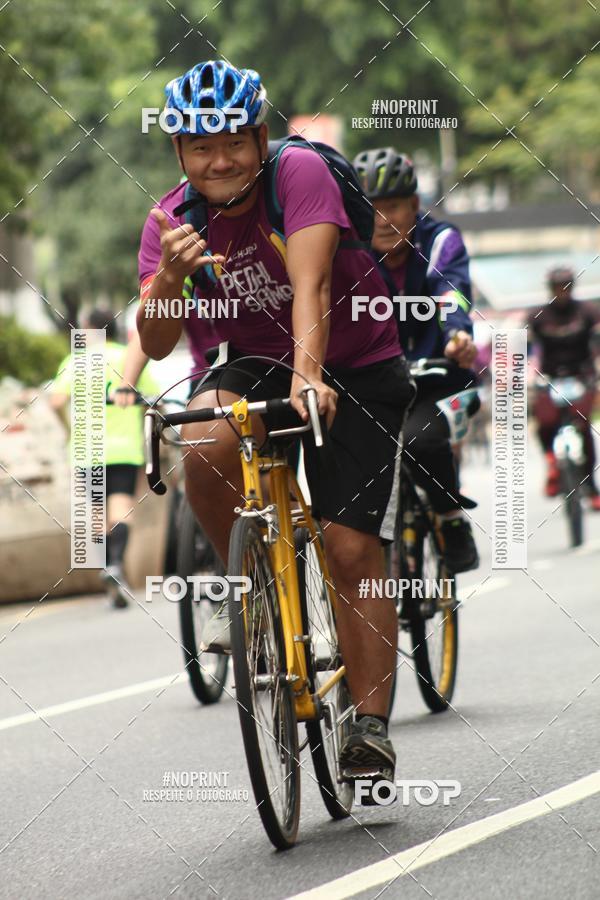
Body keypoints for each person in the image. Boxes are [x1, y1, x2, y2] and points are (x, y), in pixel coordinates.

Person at [137, 59, 416, 788]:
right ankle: (254, 585)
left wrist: (310, 373)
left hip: (351, 359)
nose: (219, 159)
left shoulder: (299, 175)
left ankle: (370, 726)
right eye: (200, 147)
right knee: (199, 430)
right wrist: (168, 279)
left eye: (233, 141)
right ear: (178, 153)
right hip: (254, 359)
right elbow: (158, 340)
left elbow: (313, 283)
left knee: (350, 547)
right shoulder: (171, 221)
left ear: (260, 137)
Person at [353, 147, 479, 572]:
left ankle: (450, 517)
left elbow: (450, 292)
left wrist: (457, 334)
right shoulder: (349, 255)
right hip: (374, 384)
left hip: (439, 380)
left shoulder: (440, 241)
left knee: (422, 440)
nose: (383, 220)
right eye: (372, 209)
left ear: (415, 206)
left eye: (393, 207)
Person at [50, 309, 160, 607]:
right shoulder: (129, 358)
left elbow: (56, 400)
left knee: (97, 514)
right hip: (124, 448)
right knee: (122, 506)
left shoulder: (75, 361)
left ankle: (109, 569)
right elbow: (152, 400)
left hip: (86, 448)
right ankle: (115, 566)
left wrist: (68, 428)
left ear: (89, 330)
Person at [528, 266, 600, 506]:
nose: (562, 291)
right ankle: (552, 464)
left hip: (582, 376)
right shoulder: (538, 316)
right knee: (545, 423)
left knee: (583, 425)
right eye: (557, 287)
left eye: (566, 286)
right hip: (549, 378)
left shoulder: (588, 312)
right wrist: (525, 374)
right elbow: (524, 349)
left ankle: (590, 485)